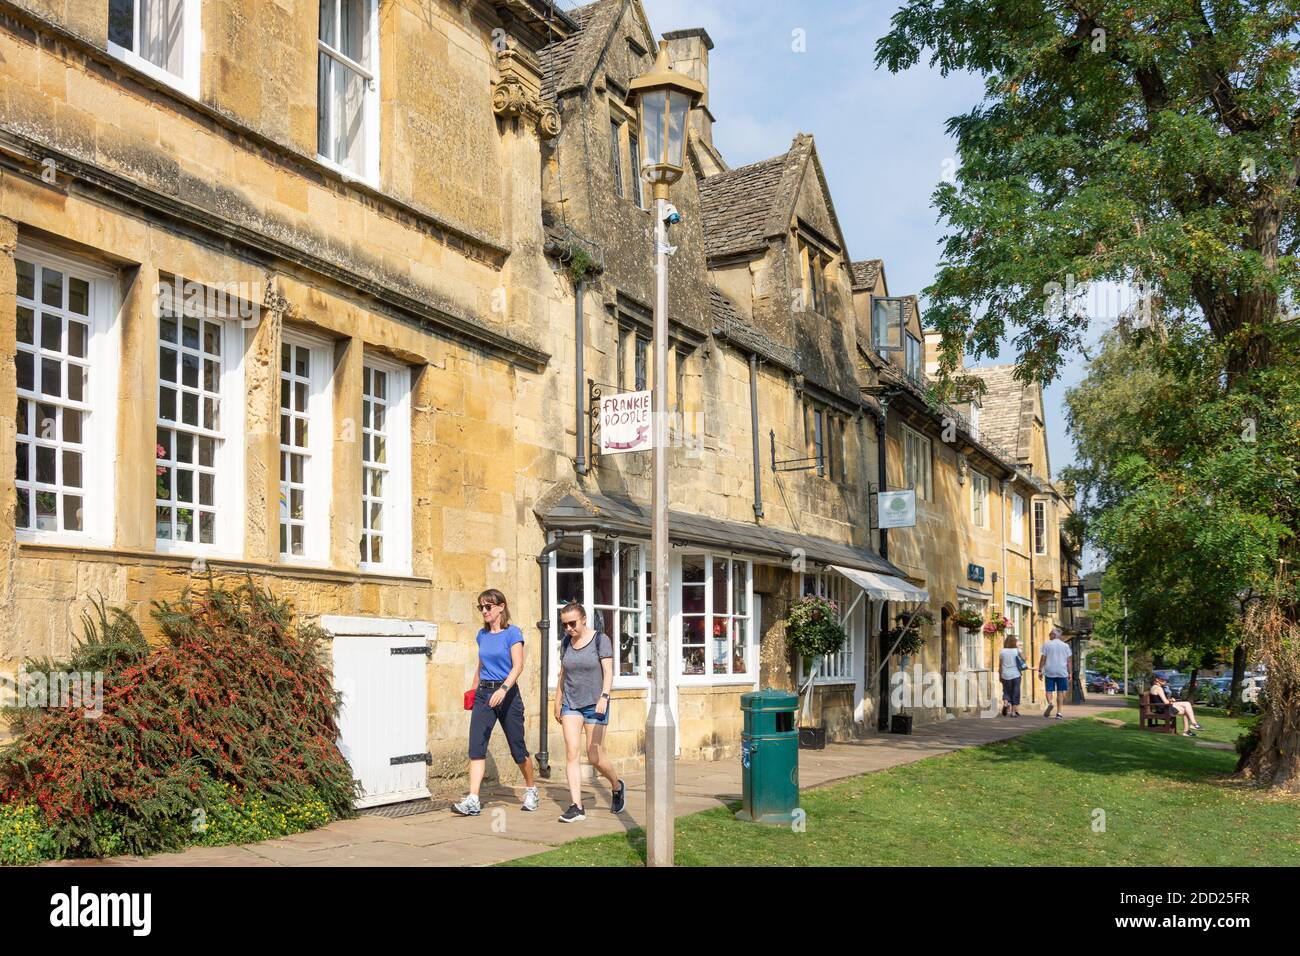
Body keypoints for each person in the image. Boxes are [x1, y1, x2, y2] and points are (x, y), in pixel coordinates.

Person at [452, 589, 539, 816]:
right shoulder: (481, 635)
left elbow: (517, 666)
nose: (484, 611)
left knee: (517, 748)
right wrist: (473, 691)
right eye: (480, 607)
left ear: (501, 607)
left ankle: (531, 789)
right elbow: (481, 666)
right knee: (476, 747)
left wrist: (503, 689)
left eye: (488, 607)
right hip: (484, 693)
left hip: (507, 694)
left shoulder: (513, 634)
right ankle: (473, 799)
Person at [552, 601, 625, 823]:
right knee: (571, 753)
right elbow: (563, 673)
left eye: (572, 623)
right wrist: (557, 700)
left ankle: (616, 785)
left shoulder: (601, 641)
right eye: (564, 625)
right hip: (571, 704)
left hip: (595, 703)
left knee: (594, 756)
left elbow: (608, 672)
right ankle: (576, 806)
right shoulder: (566, 643)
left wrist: (604, 697)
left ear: (584, 619)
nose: (569, 629)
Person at [1038, 627, 1072, 720]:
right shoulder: (1065, 646)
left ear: (1054, 635)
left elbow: (1043, 659)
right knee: (1060, 691)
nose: (1049, 635)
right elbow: (1069, 660)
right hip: (1062, 671)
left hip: (1050, 671)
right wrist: (1070, 672)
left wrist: (1040, 670)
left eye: (1050, 634)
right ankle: (1059, 713)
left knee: (1049, 690)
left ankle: (1050, 703)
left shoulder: (1046, 644)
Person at [997, 634, 1025, 717]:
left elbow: (1000, 665)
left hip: (1005, 674)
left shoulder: (1002, 651)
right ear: (1014, 642)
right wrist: (1019, 651)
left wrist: (1000, 675)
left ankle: (1005, 704)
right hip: (1016, 674)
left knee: (1006, 691)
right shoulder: (1017, 650)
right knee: (1015, 693)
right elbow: (1024, 658)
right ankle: (1013, 713)